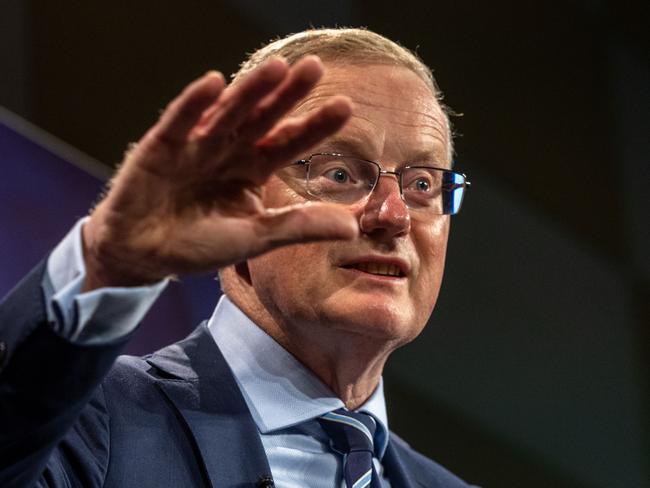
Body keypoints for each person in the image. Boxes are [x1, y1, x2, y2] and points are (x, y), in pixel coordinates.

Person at [0, 28, 475, 487]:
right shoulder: (87, 423)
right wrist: (110, 265)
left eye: (421, 185)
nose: (393, 214)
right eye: (338, 173)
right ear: (231, 193)